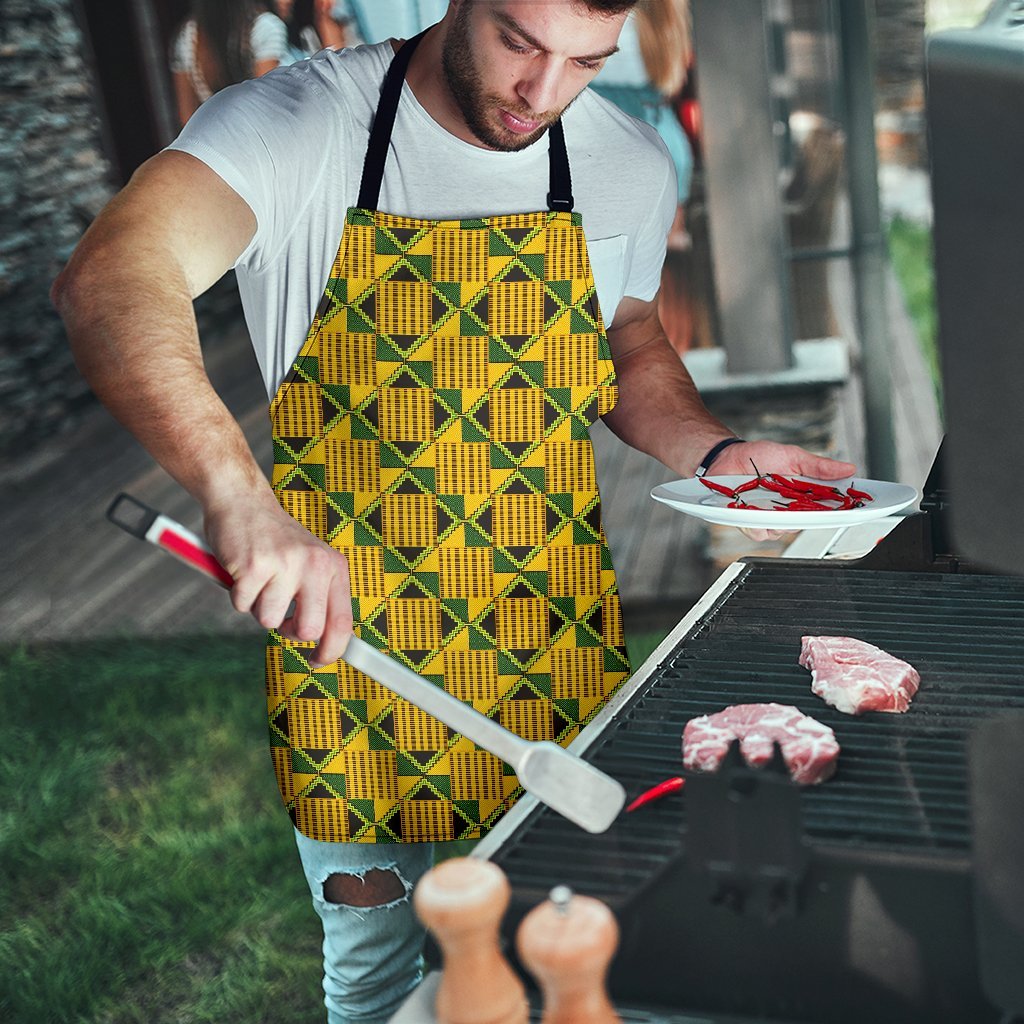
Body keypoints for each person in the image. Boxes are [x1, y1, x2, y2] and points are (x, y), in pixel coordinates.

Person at [53, 2, 855, 1020]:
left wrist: (718, 450)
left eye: (585, 62)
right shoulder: (298, 125)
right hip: (347, 653)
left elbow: (629, 337)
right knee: (380, 973)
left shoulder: (625, 161)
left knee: (566, 953)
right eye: (521, 42)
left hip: (548, 638)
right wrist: (237, 496)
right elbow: (112, 275)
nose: (543, 93)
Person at [170, 0, 289, 125]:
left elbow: (186, 117)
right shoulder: (265, 27)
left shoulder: (187, 37)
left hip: (215, 137)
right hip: (262, 134)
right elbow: (267, 104)